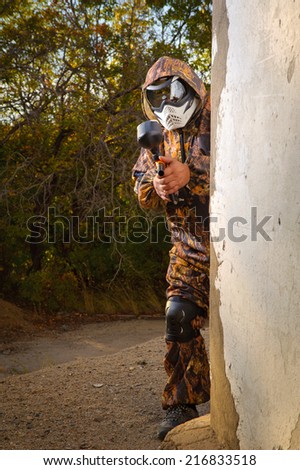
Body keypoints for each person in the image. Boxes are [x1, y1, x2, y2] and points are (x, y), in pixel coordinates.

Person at [132, 56, 210, 440]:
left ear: (191, 86)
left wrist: (192, 174)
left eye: (173, 93)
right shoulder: (157, 134)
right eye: (157, 97)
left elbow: (257, 163)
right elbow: (141, 188)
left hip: (244, 244)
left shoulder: (225, 114)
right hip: (188, 248)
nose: (167, 104)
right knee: (177, 315)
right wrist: (156, 184)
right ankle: (182, 404)